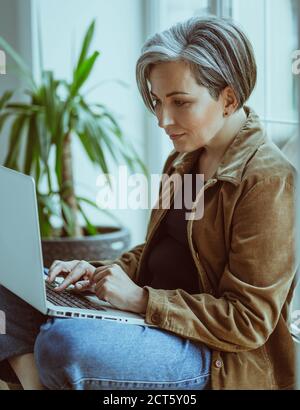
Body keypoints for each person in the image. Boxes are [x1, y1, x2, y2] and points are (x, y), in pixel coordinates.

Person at [0, 16, 297, 390]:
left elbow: (248, 321)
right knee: (7, 290)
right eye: (157, 102)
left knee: (62, 345)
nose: (163, 119)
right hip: (150, 321)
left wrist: (143, 300)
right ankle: (35, 384)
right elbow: (158, 252)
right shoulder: (183, 159)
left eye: (180, 102)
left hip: (214, 354)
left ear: (229, 98)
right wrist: (96, 274)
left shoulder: (266, 179)